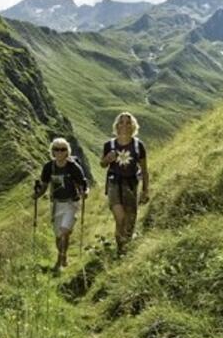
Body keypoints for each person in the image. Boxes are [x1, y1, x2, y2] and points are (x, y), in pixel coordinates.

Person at [34, 137, 87, 272]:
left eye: (62, 149)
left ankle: (59, 259)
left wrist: (84, 193)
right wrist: (37, 195)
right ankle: (63, 255)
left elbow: (83, 184)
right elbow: (44, 185)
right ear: (52, 151)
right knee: (58, 236)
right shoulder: (48, 167)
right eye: (56, 149)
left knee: (64, 232)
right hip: (56, 204)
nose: (59, 152)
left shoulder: (73, 167)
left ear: (67, 151)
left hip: (71, 203)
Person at [100, 112, 150, 256]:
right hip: (114, 183)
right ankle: (121, 247)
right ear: (117, 126)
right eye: (121, 122)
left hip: (131, 185)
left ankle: (123, 249)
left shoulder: (138, 145)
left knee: (130, 220)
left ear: (133, 126)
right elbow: (102, 164)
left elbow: (145, 170)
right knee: (120, 217)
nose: (124, 125)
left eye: (128, 122)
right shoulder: (109, 145)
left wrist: (145, 190)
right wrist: (107, 159)